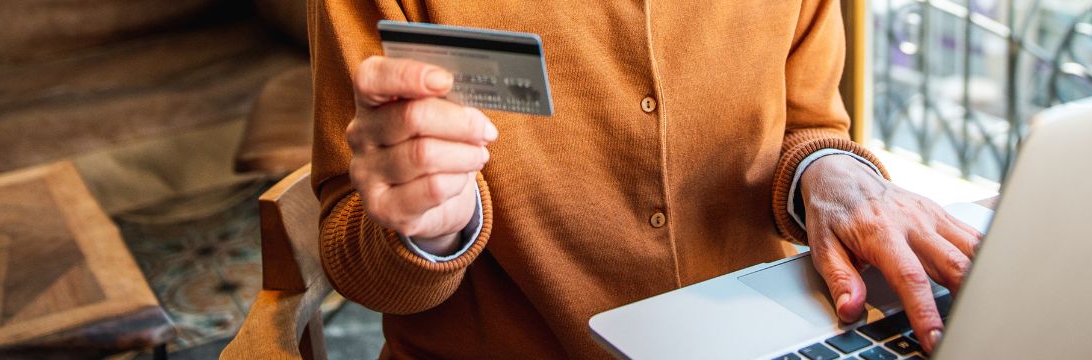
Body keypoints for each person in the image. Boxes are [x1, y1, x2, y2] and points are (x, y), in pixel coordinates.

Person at [310, 0, 983, 358]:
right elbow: (361, 267)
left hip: (764, 342)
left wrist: (832, 172)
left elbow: (809, 125)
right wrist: (430, 229)